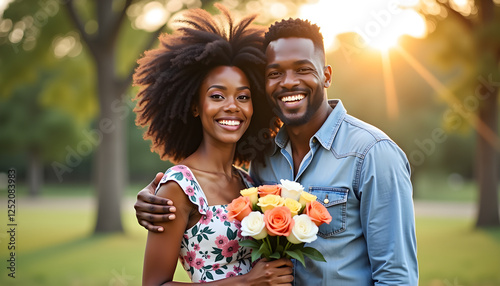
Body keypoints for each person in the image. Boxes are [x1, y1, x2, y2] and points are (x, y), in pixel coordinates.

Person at [135, 17, 418, 285]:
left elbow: (396, 276)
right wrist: (155, 197)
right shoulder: (264, 162)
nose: (288, 82)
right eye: (275, 73)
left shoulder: (372, 154)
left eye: (303, 69)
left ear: (327, 75)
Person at [132, 5, 293, 285]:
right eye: (217, 96)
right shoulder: (179, 187)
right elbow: (153, 284)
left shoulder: (248, 182)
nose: (232, 107)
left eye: (243, 97)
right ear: (195, 106)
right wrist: (246, 282)